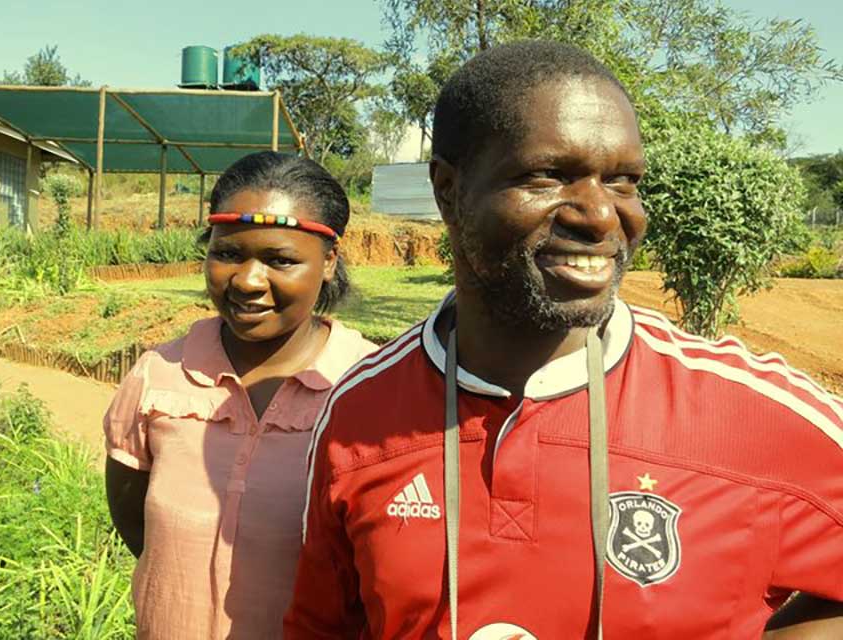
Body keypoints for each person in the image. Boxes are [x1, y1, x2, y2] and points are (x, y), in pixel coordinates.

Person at [285, 41, 843, 639]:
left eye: (624, 181)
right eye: (549, 174)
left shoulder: (750, 414)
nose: (601, 216)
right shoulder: (360, 415)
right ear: (448, 190)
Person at [104, 151, 376, 639]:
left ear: (329, 261)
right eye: (228, 253)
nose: (248, 281)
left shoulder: (368, 389)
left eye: (280, 260)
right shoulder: (157, 379)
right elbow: (137, 527)